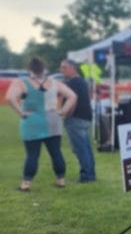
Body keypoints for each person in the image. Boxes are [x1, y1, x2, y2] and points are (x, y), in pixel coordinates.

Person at [5, 57, 77, 191]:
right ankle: (61, 180)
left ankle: (26, 184)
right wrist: (63, 111)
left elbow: (9, 97)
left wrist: (21, 113)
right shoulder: (54, 82)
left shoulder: (21, 82)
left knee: (32, 154)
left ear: (29, 68)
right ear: (44, 68)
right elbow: (72, 96)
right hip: (53, 120)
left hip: (32, 121)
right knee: (56, 152)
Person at [59, 60, 96, 182]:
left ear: (72, 68)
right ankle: (90, 173)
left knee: (80, 148)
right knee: (86, 147)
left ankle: (86, 176)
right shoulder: (82, 81)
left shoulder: (73, 82)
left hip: (76, 118)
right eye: (61, 68)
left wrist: (66, 115)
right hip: (85, 117)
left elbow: (73, 101)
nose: (62, 70)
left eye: (64, 67)